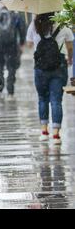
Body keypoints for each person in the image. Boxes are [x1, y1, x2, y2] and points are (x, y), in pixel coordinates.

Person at [26, 13, 73, 145]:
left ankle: (44, 131)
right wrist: (69, 58)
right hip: (59, 67)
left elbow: (29, 44)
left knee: (42, 99)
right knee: (56, 100)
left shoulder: (34, 25)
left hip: (40, 67)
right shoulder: (63, 25)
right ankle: (56, 134)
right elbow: (70, 46)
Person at [0, 4, 26, 96]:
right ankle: (10, 89)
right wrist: (22, 42)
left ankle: (0, 87)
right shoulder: (15, 15)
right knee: (11, 67)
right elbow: (22, 29)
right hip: (11, 45)